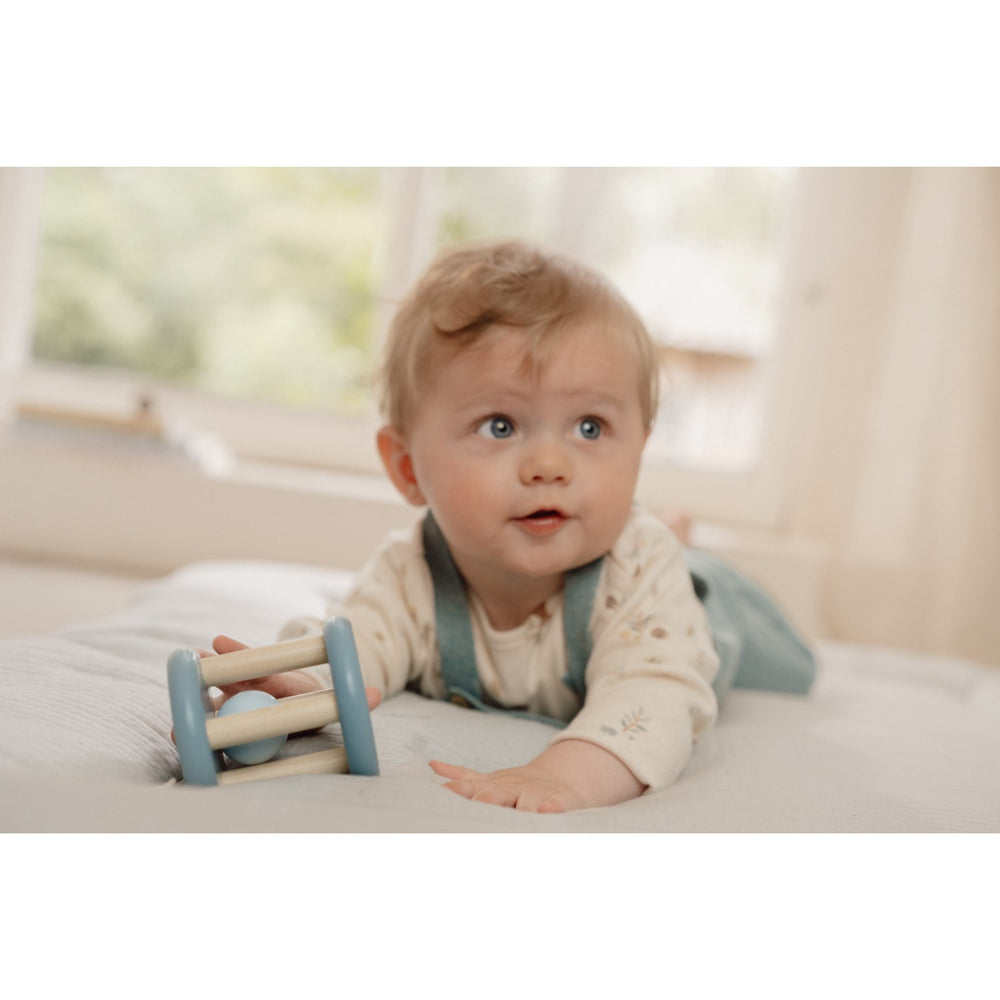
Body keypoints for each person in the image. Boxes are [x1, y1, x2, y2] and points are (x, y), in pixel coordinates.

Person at [210, 240, 727, 812]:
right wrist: (303, 688)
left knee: (700, 594)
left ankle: (682, 538)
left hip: (683, 616)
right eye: (500, 426)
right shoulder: (412, 572)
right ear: (408, 468)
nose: (549, 465)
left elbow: (656, 691)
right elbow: (361, 640)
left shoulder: (639, 569)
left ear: (640, 450)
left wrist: (564, 777)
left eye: (589, 427)